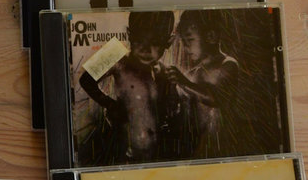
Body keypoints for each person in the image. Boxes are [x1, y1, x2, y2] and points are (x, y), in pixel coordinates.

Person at [79, 10, 179, 164]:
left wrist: (171, 89)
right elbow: (85, 79)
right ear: (129, 35)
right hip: (125, 153)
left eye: (155, 42)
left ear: (169, 42)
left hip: (156, 155)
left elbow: (170, 111)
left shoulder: (163, 71)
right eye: (139, 40)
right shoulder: (115, 55)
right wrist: (110, 104)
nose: (146, 49)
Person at [166, 9, 239, 156]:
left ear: (211, 37)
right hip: (195, 147)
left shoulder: (228, 64)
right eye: (183, 42)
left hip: (220, 146)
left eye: (190, 40)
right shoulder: (191, 74)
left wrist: (183, 83)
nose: (185, 47)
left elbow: (216, 98)